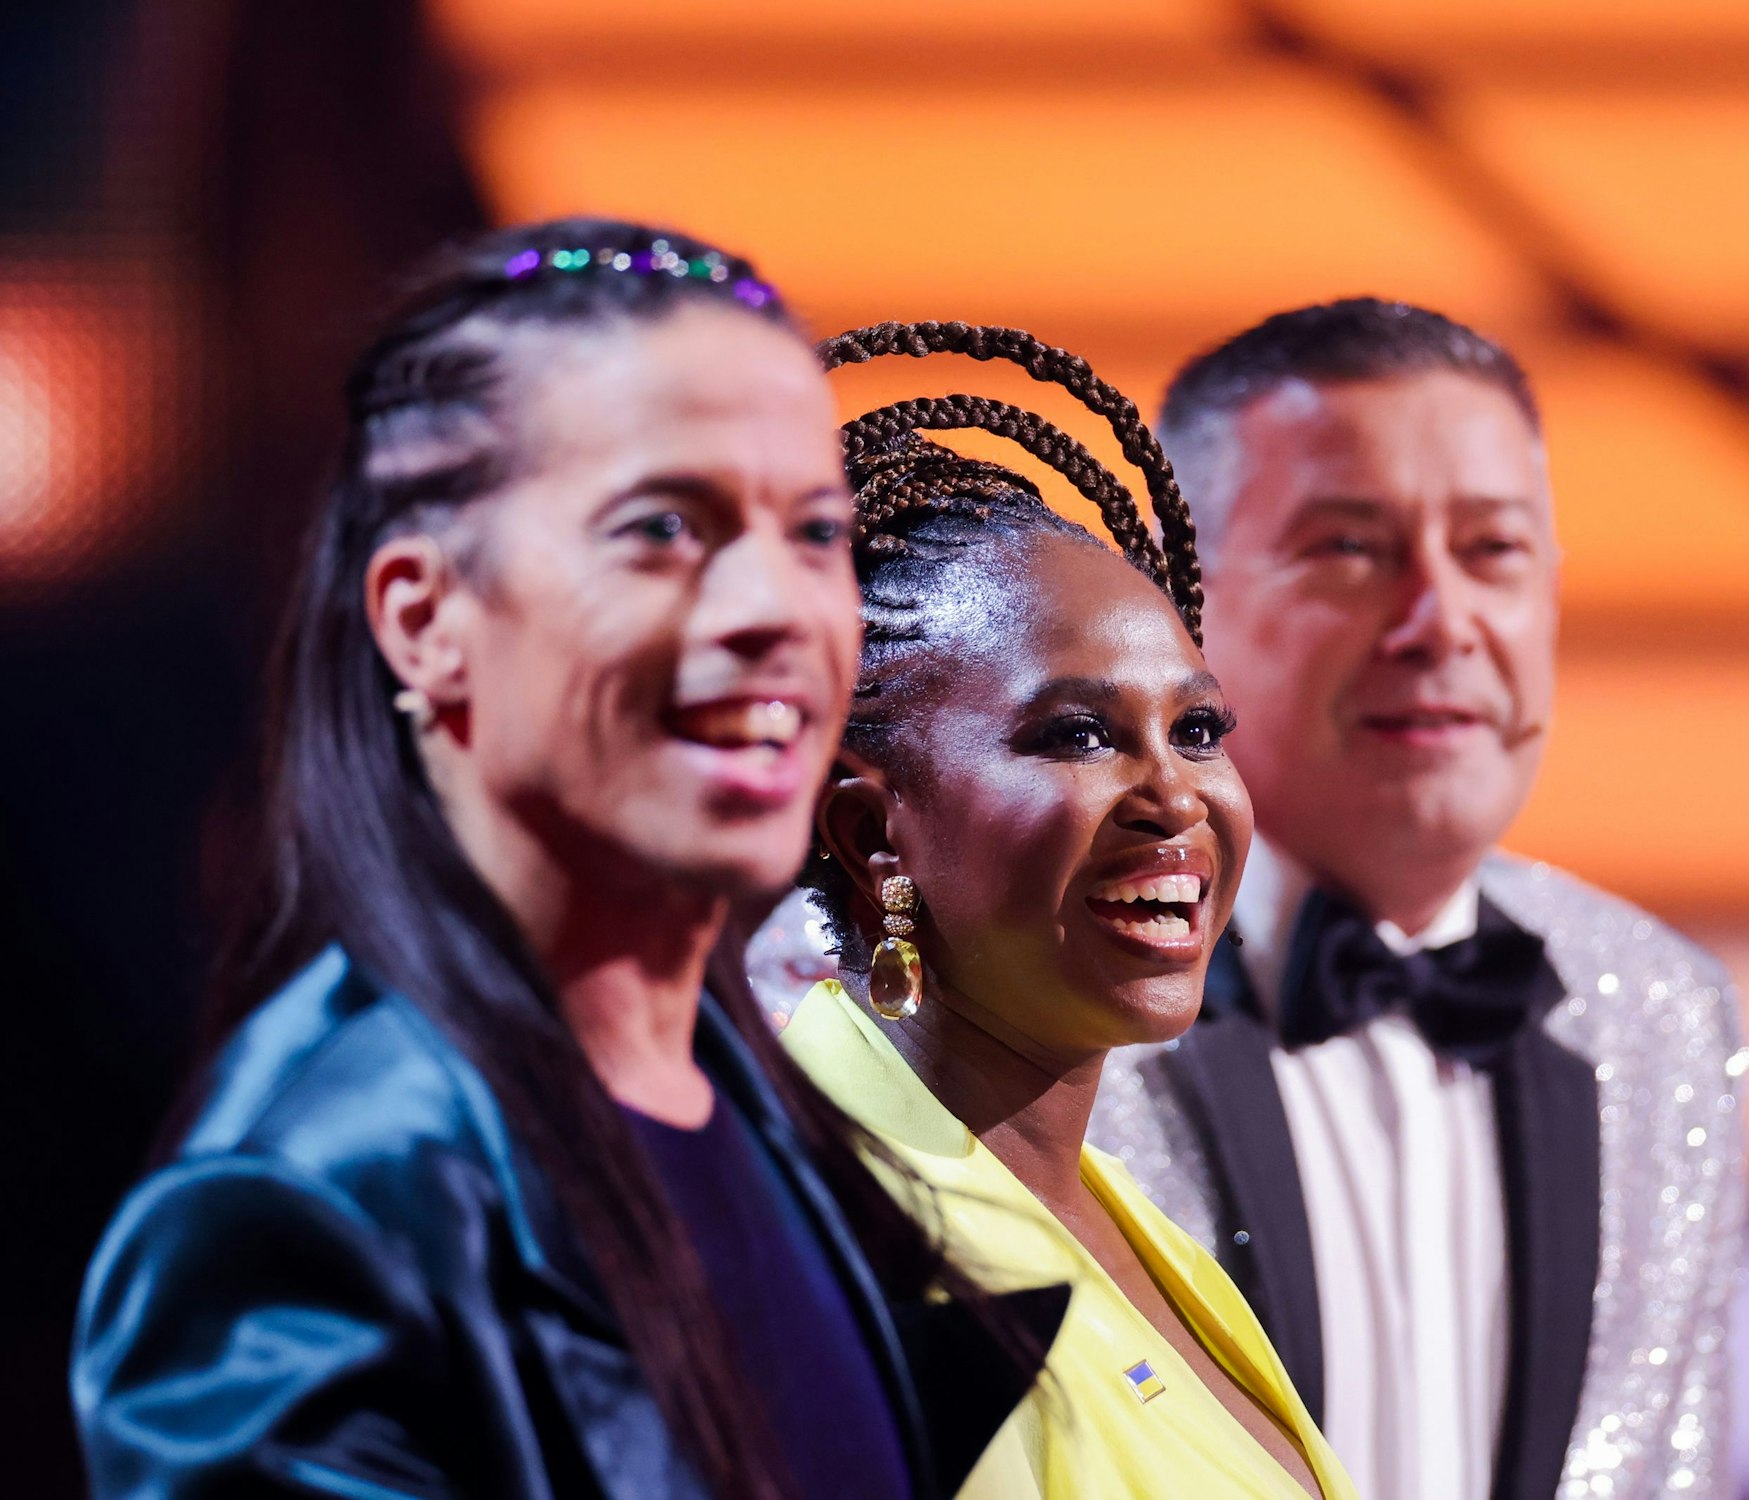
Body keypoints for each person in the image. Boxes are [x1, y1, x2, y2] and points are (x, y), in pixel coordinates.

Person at [71, 223, 1060, 1500]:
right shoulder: (309, 1206)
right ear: (427, 621)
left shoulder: (763, 1113)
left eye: (814, 533)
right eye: (662, 527)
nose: (774, 608)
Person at [1088, 298, 1749, 1500]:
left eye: (1490, 550)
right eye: (1349, 548)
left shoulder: (1659, 1007)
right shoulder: (1048, 995)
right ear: (1177, 604)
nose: (1440, 620)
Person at [781, 321, 1358, 1500]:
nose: (1174, 798)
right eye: (1079, 734)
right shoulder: (848, 1247)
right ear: (867, 833)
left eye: (1197, 731)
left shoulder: (1104, 1202)